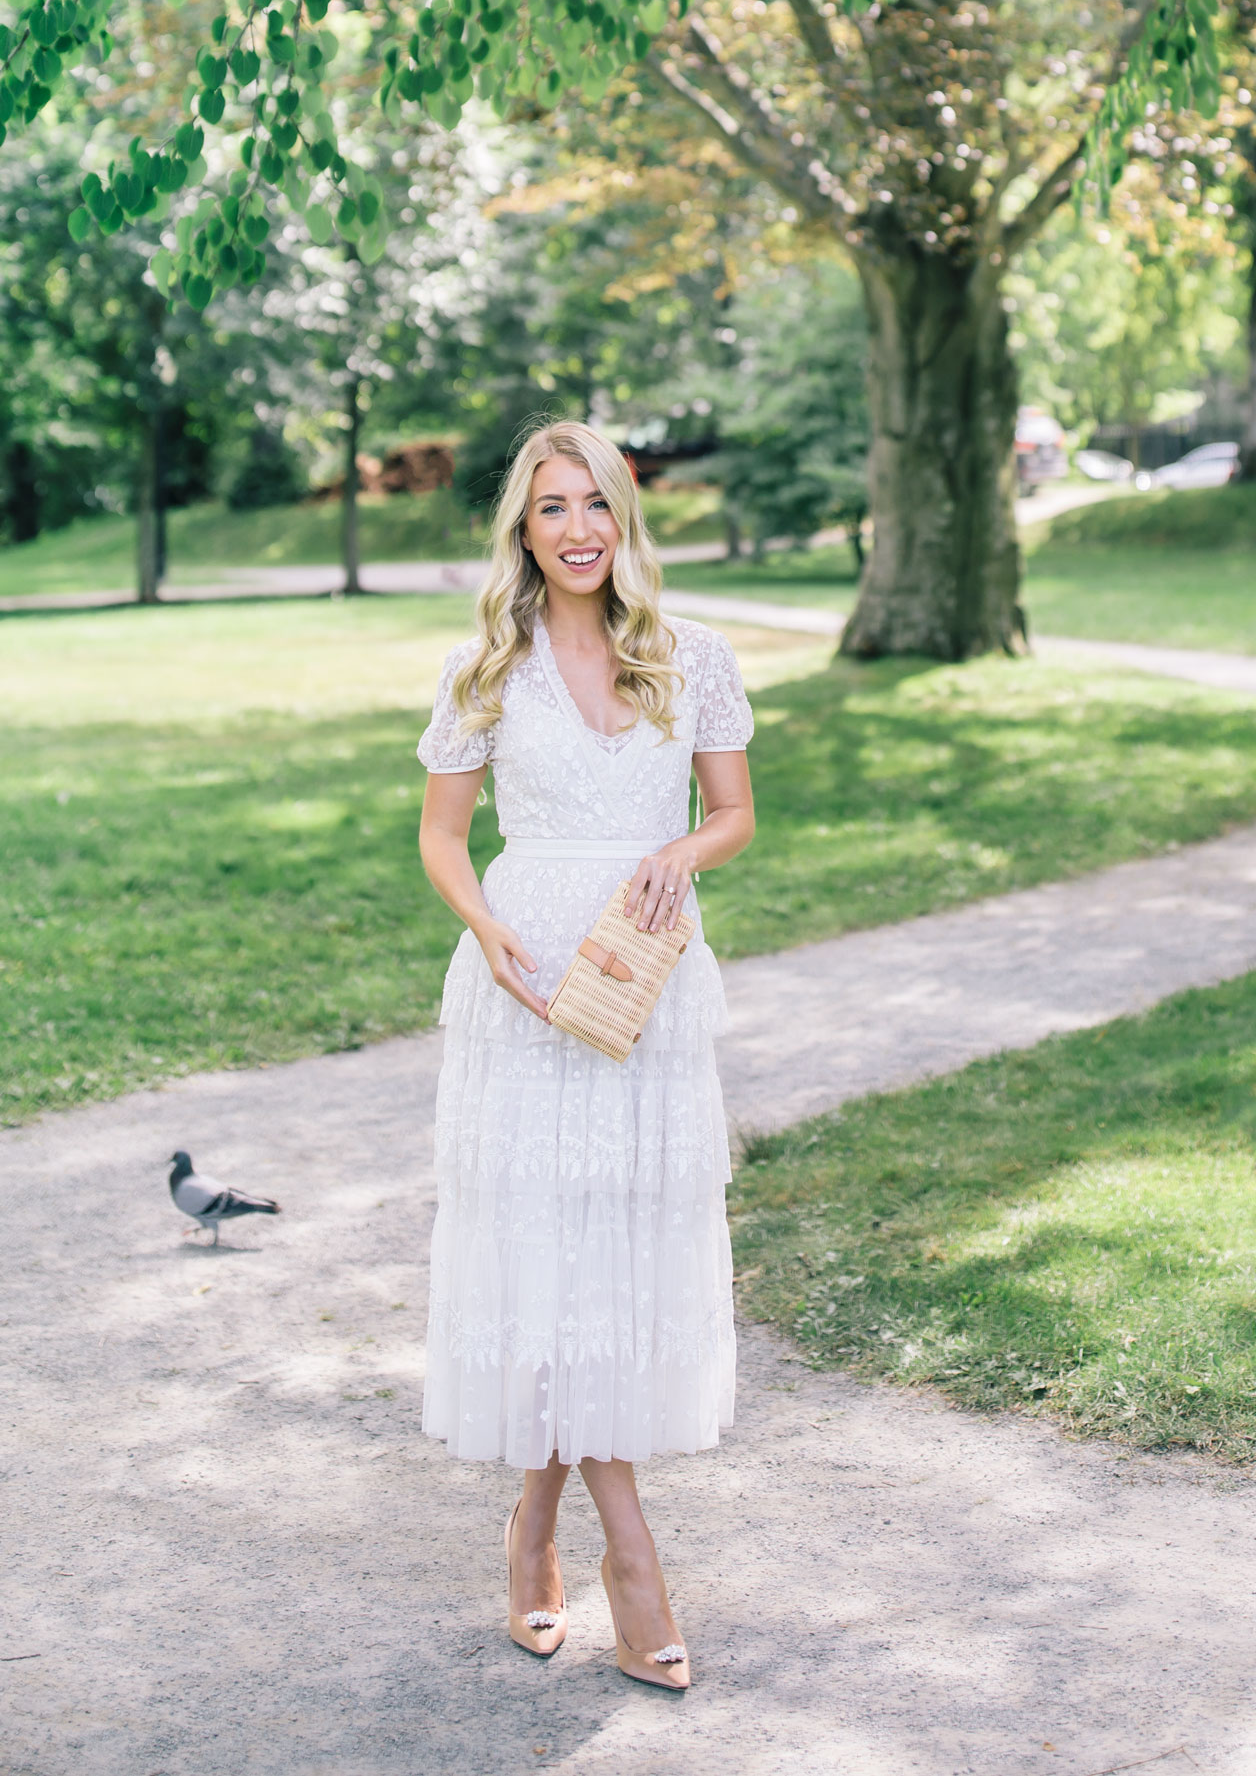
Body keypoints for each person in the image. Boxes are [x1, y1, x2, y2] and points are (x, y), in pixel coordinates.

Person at [415, 420, 755, 1691]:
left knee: (614, 1249)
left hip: (647, 982)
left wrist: (680, 853)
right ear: (524, 528)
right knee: (542, 1245)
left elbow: (735, 814)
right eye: (551, 509)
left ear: (626, 519)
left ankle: (532, 1528)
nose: (576, 531)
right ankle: (632, 1555)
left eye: (596, 506)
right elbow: (445, 838)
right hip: (528, 982)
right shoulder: (484, 670)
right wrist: (490, 929)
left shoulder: (692, 658)